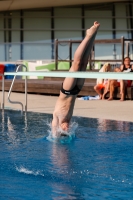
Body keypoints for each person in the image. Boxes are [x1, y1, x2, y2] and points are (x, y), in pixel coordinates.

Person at [52, 21, 100, 137]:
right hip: (76, 90)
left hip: (66, 91)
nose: (67, 127)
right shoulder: (68, 121)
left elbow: (53, 137)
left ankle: (88, 35)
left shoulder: (56, 122)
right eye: (68, 129)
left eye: (65, 129)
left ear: (60, 129)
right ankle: (93, 36)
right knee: (84, 64)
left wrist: (56, 137)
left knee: (77, 64)